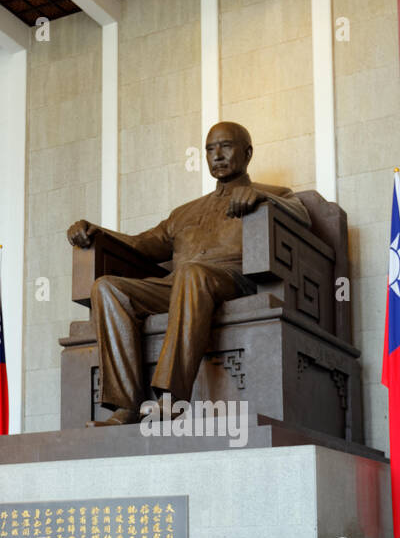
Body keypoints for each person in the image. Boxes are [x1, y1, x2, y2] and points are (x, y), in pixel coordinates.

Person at [66, 121, 310, 426]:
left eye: (226, 146)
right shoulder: (184, 213)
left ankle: (171, 398)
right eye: (210, 149)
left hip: (232, 280)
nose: (217, 155)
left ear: (247, 153)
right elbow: (140, 245)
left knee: (192, 274)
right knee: (106, 286)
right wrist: (94, 232)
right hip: (178, 284)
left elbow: (302, 217)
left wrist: (262, 199)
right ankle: (125, 406)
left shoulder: (272, 193)